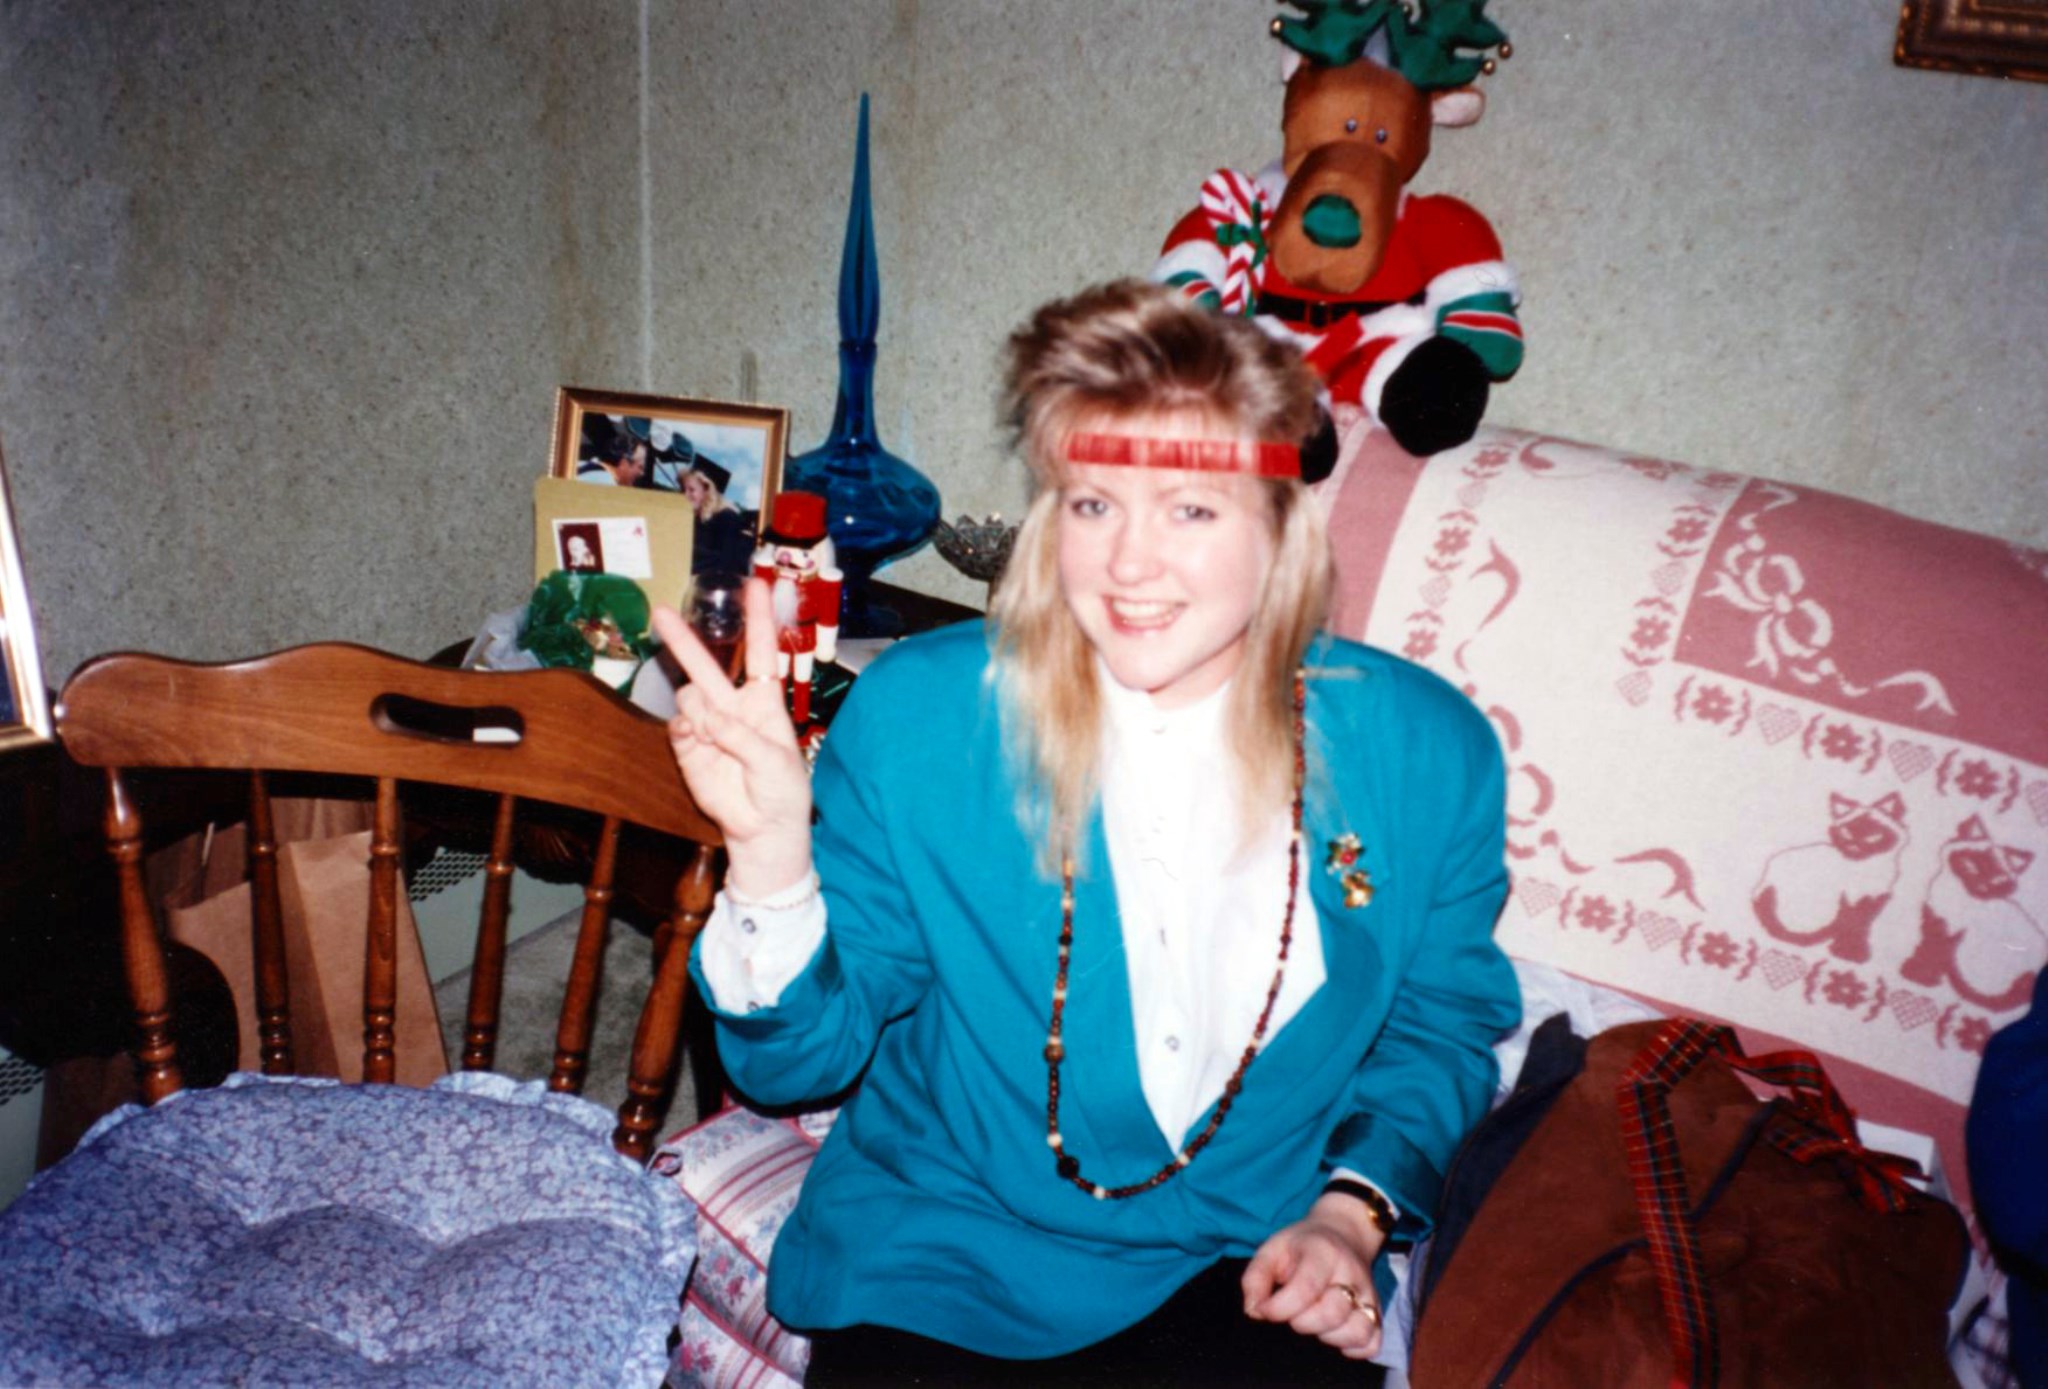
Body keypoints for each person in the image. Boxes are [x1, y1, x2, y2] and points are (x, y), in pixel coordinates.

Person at [653, 279, 1519, 1385]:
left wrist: (1349, 1217)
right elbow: (794, 1065)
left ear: (1281, 523)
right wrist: (770, 858)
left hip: (1257, 1254)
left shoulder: (1427, 753)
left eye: (1190, 510)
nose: (1127, 565)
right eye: (1094, 504)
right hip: (952, 1245)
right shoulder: (924, 718)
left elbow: (1439, 1023)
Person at [684, 459, 755, 575]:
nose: (685, 495)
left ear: (707, 490)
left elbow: (725, 562)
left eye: (691, 490)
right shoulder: (694, 518)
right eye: (684, 489)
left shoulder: (727, 519)